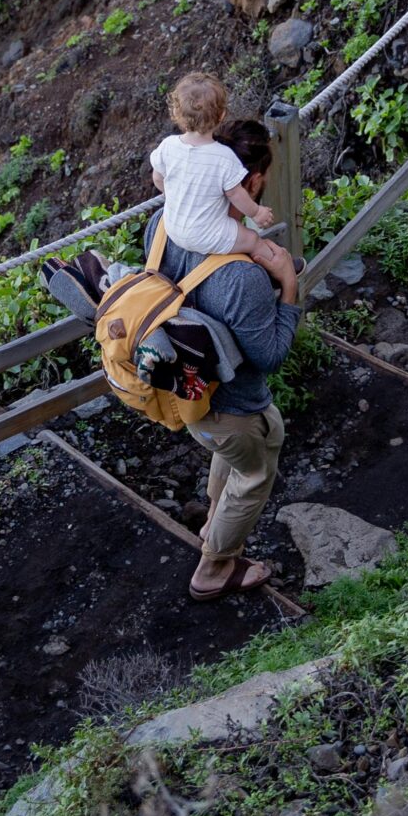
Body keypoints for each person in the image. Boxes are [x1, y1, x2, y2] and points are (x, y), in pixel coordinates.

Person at [157, 114, 301, 600]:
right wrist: (287, 285)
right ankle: (213, 568)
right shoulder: (241, 278)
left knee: (266, 432)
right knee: (255, 471)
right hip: (227, 404)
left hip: (182, 386)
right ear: (253, 180)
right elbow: (272, 355)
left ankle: (215, 516)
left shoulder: (164, 225)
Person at [151, 71, 288, 283]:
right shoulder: (223, 157)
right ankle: (278, 270)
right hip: (206, 234)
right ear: (222, 115)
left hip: (173, 227)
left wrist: (176, 195)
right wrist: (257, 213)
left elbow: (158, 177)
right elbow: (235, 193)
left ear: (176, 114)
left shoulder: (168, 145)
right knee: (251, 239)